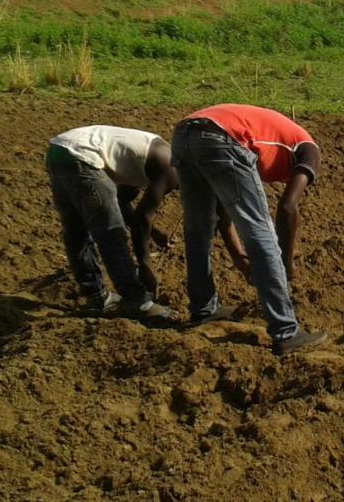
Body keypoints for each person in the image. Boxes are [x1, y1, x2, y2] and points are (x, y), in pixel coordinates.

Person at [171, 103, 327, 356]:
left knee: (198, 229)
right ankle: (285, 332)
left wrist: (238, 257)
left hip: (184, 134)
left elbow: (224, 212)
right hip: (224, 136)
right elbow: (287, 208)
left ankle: (203, 310)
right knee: (260, 231)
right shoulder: (309, 150)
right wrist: (287, 263)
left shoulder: (274, 138)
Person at [46, 126, 176, 319]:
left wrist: (154, 231)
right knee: (112, 233)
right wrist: (145, 266)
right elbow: (141, 218)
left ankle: (96, 297)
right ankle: (137, 301)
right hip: (83, 157)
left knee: (76, 232)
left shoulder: (143, 161)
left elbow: (123, 203)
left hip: (58, 151)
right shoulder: (172, 168)